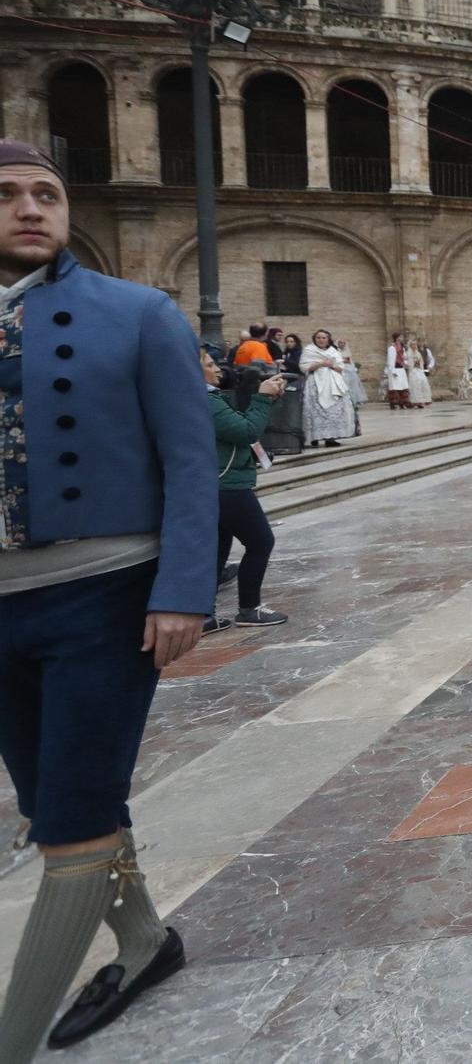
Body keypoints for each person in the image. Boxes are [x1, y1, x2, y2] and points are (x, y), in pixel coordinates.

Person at [0, 140, 214, 1057]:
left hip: (106, 595)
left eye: (47, 192)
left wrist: (182, 589)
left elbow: (192, 460)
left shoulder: (136, 312)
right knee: (54, 798)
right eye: (7, 194)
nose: (31, 208)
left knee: (74, 827)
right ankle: (145, 940)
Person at [205, 350, 289, 632]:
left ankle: (204, 614)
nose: (218, 370)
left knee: (217, 548)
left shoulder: (204, 399)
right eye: (209, 365)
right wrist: (263, 397)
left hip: (215, 483)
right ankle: (249, 609)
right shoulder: (207, 402)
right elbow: (246, 430)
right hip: (228, 486)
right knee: (260, 542)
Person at [299, 329, 354, 447]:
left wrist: (331, 365)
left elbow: (340, 367)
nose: (321, 340)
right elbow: (304, 367)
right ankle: (315, 437)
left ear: (328, 339)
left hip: (332, 383)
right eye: (318, 338)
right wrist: (320, 364)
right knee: (315, 409)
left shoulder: (333, 351)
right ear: (314, 339)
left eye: (324, 338)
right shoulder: (309, 350)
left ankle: (331, 438)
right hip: (315, 383)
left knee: (333, 410)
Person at [405, 339, 435, 408]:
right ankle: (415, 401)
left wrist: (429, 366)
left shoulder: (426, 350)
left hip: (424, 368)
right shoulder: (408, 353)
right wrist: (412, 364)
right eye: (413, 344)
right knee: (415, 383)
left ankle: (423, 400)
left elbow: (430, 359)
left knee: (425, 380)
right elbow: (406, 361)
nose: (415, 346)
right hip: (413, 370)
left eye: (415, 344)